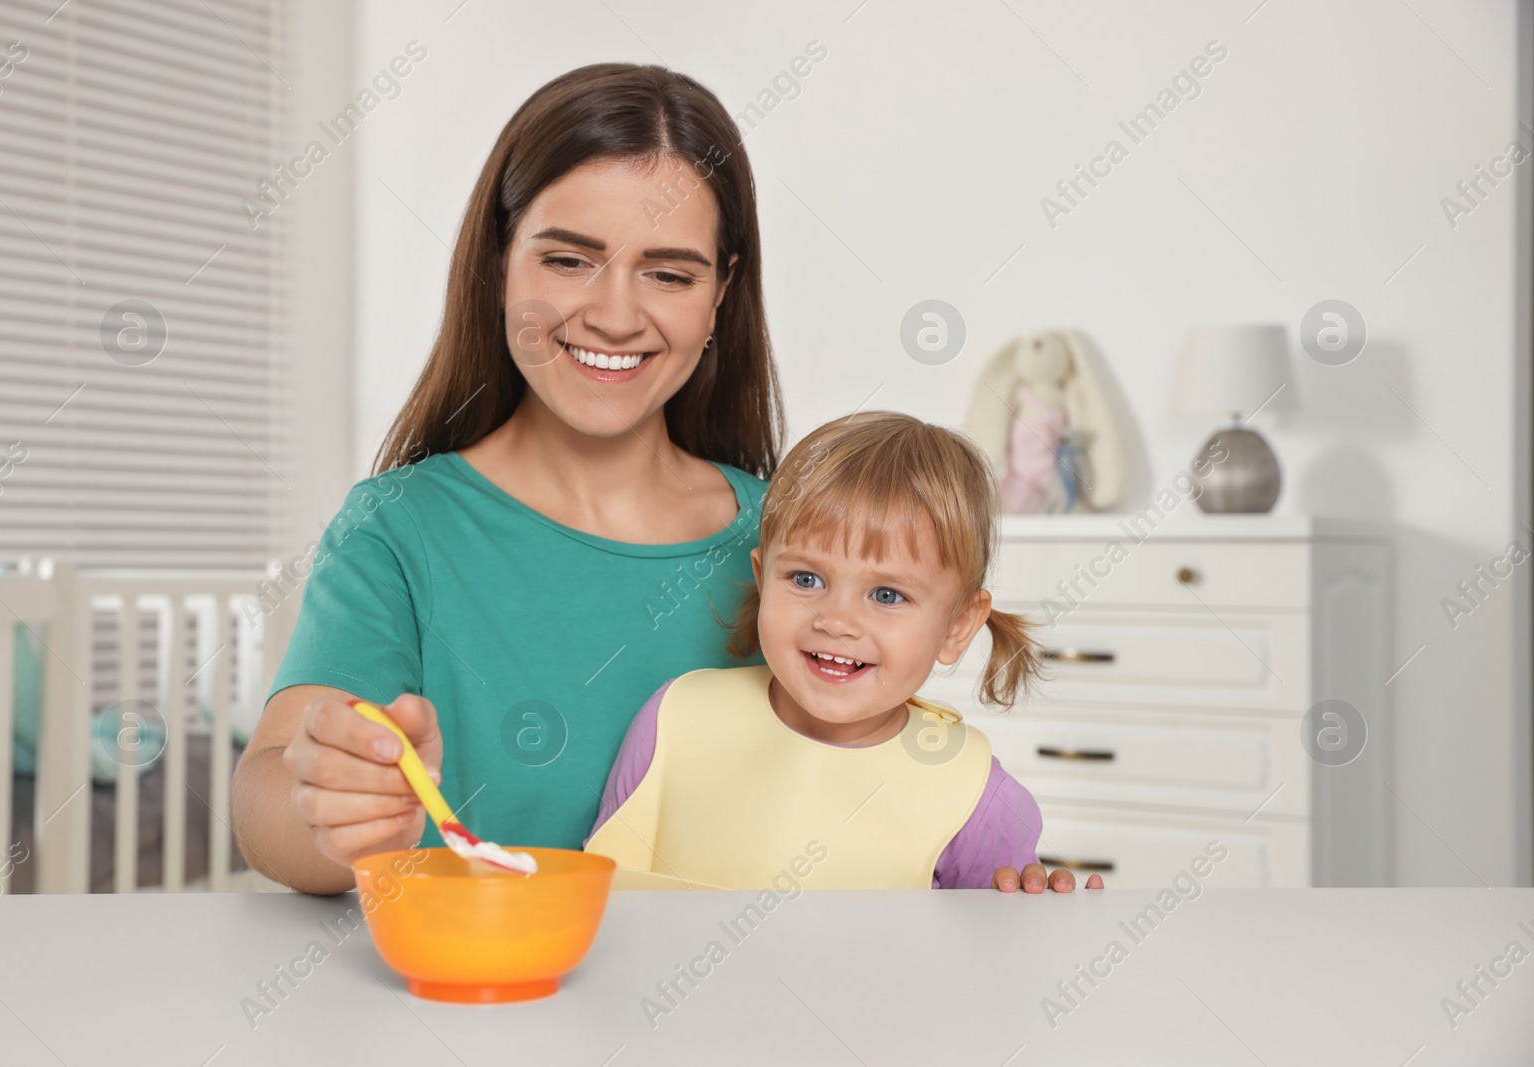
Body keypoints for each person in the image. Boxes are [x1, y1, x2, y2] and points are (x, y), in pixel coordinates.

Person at [232, 63, 781, 894]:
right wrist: (332, 805)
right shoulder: (398, 530)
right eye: (568, 259)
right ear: (499, 261)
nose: (616, 315)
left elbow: (875, 774)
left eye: (669, 273)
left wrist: (986, 880)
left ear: (721, 293)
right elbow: (271, 796)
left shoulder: (789, 540)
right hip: (476, 1013)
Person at [585, 412, 1106, 892]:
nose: (835, 620)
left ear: (957, 625)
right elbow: (596, 906)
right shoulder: (673, 720)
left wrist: (1040, 926)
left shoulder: (976, 798)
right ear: (763, 580)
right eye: (806, 578)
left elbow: (994, 967)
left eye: (887, 594)